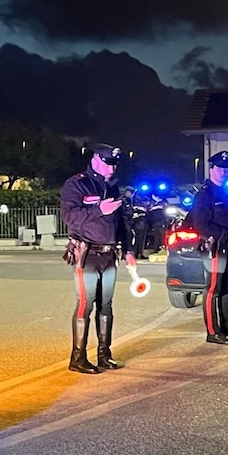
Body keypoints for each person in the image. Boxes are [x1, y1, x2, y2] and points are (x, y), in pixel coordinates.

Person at [60, 144, 138, 373]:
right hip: (87, 254)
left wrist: (129, 250)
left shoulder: (112, 186)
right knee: (85, 305)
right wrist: (99, 210)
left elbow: (121, 222)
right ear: (95, 159)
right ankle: (78, 358)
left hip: (109, 253)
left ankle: (105, 354)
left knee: (106, 306)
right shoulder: (77, 184)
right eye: (107, 164)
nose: (111, 169)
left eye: (114, 165)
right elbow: (69, 216)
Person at [189, 151, 228, 345]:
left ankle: (227, 328)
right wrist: (226, 234)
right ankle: (213, 331)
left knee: (227, 288)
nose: (223, 172)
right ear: (212, 169)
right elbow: (201, 224)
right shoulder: (204, 194)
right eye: (220, 168)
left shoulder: (224, 192)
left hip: (227, 246)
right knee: (213, 290)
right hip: (214, 247)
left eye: (225, 169)